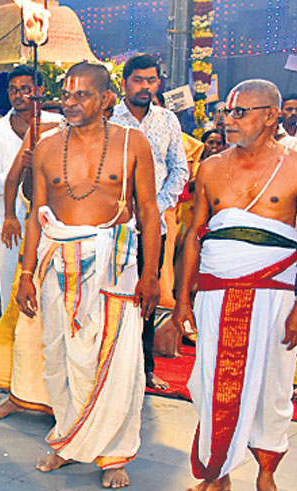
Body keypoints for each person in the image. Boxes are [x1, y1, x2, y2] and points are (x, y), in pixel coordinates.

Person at [172, 79, 297, 491]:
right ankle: (217, 472)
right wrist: (182, 301)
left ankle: (265, 479)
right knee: (209, 382)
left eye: (240, 112)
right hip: (216, 296)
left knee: (272, 388)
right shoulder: (211, 167)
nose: (229, 120)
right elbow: (194, 237)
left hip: (275, 298)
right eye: (227, 112)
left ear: (270, 116)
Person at [17, 62, 162, 490]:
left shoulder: (132, 144)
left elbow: (150, 213)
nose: (71, 102)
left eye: (82, 94)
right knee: (60, 355)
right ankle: (67, 439)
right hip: (55, 264)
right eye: (67, 94)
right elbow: (35, 215)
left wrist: (151, 275)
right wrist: (26, 273)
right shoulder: (45, 145)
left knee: (116, 359)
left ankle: (113, 452)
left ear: (106, 99)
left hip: (113, 264)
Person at [0, 66, 63, 409]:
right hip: (11, 225)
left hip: (54, 224)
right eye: (13, 89)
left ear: (39, 90)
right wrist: (23, 164)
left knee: (48, 302)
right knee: (14, 297)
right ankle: (3, 377)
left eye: (26, 88)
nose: (19, 95)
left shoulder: (56, 123)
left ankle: (40, 380)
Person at [110, 54, 188, 392]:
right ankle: (110, 368)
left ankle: (145, 368)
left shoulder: (167, 120)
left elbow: (180, 169)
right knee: (111, 295)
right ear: (124, 83)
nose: (145, 86)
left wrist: (156, 207)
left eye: (151, 80)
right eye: (138, 80)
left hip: (152, 227)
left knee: (147, 294)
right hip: (113, 225)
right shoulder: (109, 117)